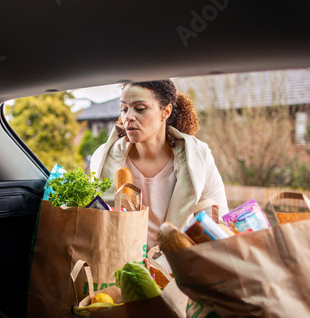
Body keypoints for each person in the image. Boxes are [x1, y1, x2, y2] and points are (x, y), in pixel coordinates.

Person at [90, 79, 228, 250]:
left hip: (177, 267)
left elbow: (218, 224)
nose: (128, 117)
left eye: (140, 108)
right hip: (122, 267)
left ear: (166, 111)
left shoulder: (198, 158)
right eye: (124, 109)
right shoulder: (104, 159)